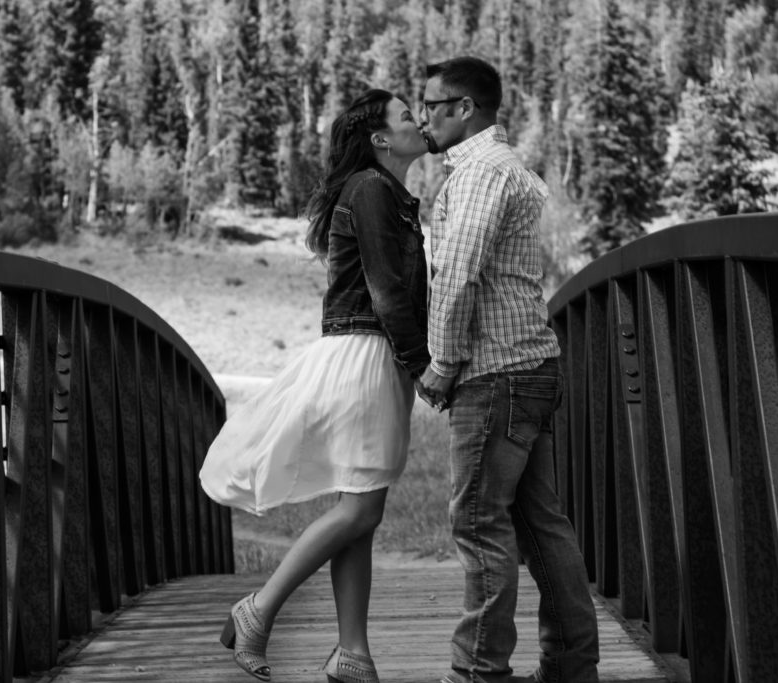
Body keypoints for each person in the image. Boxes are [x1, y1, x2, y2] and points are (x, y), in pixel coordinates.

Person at [199, 88, 430, 683]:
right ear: (380, 138)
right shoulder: (373, 190)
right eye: (407, 115)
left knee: (361, 506)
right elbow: (385, 290)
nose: (419, 121)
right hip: (367, 359)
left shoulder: (385, 192)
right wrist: (421, 362)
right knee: (360, 509)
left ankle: (353, 652)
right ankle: (258, 609)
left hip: (370, 358)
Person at [415, 56, 600, 683]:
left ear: (465, 108)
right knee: (540, 522)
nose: (424, 116)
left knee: (477, 520)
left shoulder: (478, 173)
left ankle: (477, 672)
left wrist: (443, 364)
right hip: (528, 365)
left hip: (496, 373)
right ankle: (572, 666)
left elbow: (460, 272)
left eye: (433, 104)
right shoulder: (504, 166)